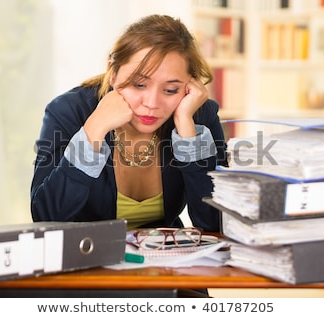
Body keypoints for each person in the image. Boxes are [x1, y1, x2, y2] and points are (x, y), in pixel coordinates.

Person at [31, 14, 227, 233]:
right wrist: (94, 129)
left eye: (170, 90)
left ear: (189, 87)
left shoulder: (198, 116)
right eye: (139, 84)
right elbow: (46, 218)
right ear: (113, 73)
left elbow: (216, 225)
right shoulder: (68, 111)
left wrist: (187, 132)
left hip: (162, 261)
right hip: (86, 260)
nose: (152, 103)